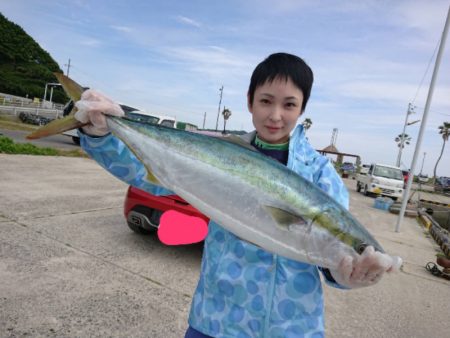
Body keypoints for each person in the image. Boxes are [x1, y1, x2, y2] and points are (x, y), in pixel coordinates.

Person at [74, 53, 398, 337]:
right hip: (215, 321)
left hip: (291, 329)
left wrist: (343, 273)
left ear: (302, 108)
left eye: (289, 105)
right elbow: (145, 175)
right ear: (250, 101)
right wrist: (102, 135)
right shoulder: (219, 150)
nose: (275, 115)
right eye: (266, 101)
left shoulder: (319, 174)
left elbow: (328, 254)